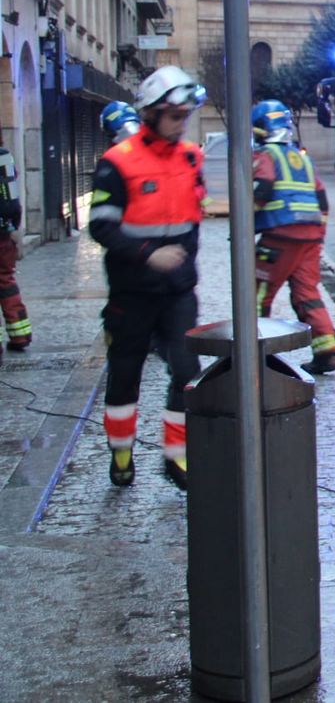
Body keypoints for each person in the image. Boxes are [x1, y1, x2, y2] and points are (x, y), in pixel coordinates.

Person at [89, 65, 206, 490]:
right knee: (125, 375)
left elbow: (192, 219)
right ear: (152, 113)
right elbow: (101, 226)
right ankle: (121, 455)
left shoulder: (191, 156)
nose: (181, 125)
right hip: (131, 292)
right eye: (174, 116)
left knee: (187, 372)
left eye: (185, 116)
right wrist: (148, 255)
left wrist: (182, 263)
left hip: (178, 292)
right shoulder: (116, 163)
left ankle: (177, 457)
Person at [251, 99, 335, 375]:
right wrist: (318, 234)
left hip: (280, 235)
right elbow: (322, 199)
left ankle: (254, 353)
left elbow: (262, 191)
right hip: (310, 238)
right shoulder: (302, 158)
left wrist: (245, 224)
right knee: (307, 294)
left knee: (256, 295)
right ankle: (326, 349)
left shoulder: (265, 156)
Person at [0, 139, 30, 354]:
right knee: (6, 282)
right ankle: (20, 336)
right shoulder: (4, 156)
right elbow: (12, 198)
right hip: (4, 231)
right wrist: (14, 229)